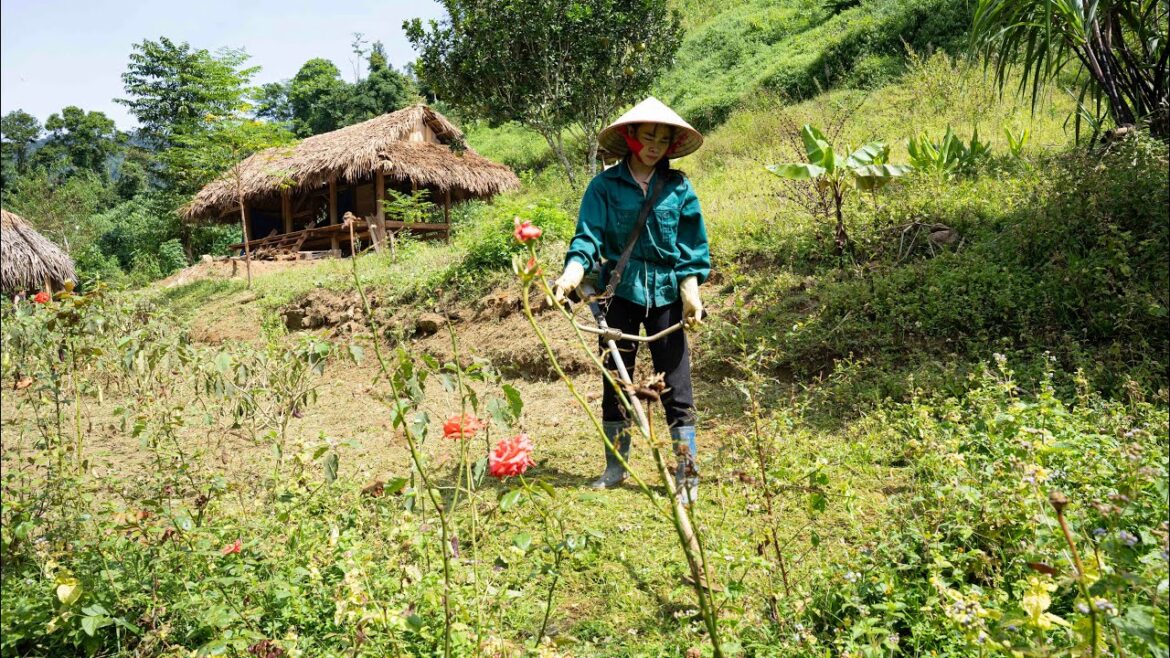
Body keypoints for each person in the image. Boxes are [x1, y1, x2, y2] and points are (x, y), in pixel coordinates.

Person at [552, 97, 710, 498]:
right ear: (630, 136)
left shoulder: (679, 188)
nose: (656, 145)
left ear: (672, 145)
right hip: (618, 292)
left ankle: (686, 473)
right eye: (649, 136)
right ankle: (615, 467)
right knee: (617, 382)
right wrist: (571, 275)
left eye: (664, 139)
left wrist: (690, 292)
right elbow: (587, 237)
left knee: (677, 383)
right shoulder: (603, 187)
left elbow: (691, 245)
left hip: (666, 295)